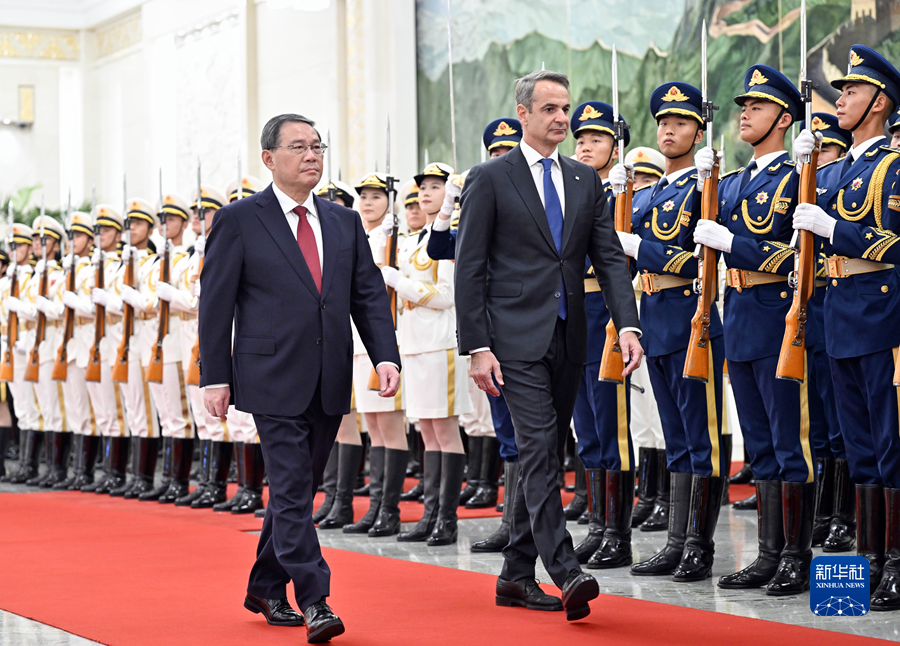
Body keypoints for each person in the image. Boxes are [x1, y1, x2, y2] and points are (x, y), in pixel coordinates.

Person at [200, 113, 400, 641]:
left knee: (298, 490)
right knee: (291, 489)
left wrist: (386, 356)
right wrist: (214, 376)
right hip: (269, 375)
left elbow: (367, 296)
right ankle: (316, 599)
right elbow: (215, 305)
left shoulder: (343, 221)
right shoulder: (239, 220)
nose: (312, 155)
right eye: (298, 147)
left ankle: (265, 585)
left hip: (329, 374)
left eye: (317, 146)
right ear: (269, 158)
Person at [455, 70, 642, 621]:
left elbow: (608, 258)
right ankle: (565, 569)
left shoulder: (584, 179)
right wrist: (477, 346)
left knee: (547, 450)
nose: (563, 118)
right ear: (524, 114)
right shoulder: (490, 177)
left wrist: (628, 326)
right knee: (538, 448)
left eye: (566, 108)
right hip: (513, 338)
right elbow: (469, 267)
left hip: (570, 334)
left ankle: (515, 576)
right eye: (551, 109)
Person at [691, 64, 817, 596]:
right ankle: (768, 555)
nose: (745, 113)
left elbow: (799, 256)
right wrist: (701, 183)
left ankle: (796, 557)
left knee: (790, 443)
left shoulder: (797, 178)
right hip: (739, 319)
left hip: (777, 319)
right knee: (759, 444)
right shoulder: (733, 182)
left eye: (758, 106)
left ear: (784, 119)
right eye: (743, 106)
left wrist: (732, 244)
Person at [792, 45, 900, 611]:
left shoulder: (895, 166)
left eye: (852, 91)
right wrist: (802, 172)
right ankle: (870, 560)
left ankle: (897, 562)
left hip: (881, 315)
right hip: (837, 315)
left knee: (890, 443)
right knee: (858, 447)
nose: (841, 99)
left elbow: (896, 244)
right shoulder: (832, 171)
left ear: (879, 102)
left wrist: (835, 229)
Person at [617, 81, 726, 581]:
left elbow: (698, 261)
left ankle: (698, 547)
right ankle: (676, 542)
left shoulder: (705, 187)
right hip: (656, 321)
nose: (668, 130)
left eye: (681, 122)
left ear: (698, 132)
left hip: (691, 319)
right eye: (663, 122)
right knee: (675, 438)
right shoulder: (650, 194)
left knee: (700, 438)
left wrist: (639, 249)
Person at [426, 118, 524, 551]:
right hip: (489, 332)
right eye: (495, 154)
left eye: (508, 152)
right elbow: (438, 248)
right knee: (504, 428)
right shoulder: (480, 206)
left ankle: (526, 525)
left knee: (525, 430)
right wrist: (449, 204)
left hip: (523, 327)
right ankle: (512, 524)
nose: (501, 160)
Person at [386, 162, 473, 546]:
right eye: (422, 187)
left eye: (435, 187)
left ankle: (447, 519)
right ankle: (430, 514)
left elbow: (448, 296)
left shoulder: (452, 237)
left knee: (445, 430)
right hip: (415, 343)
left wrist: (400, 283)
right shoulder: (412, 241)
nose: (425, 193)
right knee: (427, 431)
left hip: (441, 343)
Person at [566, 100, 637, 569]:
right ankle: (598, 526)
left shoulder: (623, 196)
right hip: (575, 315)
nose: (585, 147)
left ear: (617, 146)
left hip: (608, 315)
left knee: (613, 429)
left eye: (597, 139)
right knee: (587, 429)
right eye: (581, 140)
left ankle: (618, 534)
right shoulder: (575, 194)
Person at [794, 112, 855, 553]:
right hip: (808, 315)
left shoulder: (843, 190)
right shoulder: (807, 189)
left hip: (836, 309)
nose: (821, 159)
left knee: (840, 424)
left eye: (828, 150)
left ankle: (844, 516)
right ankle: (822, 511)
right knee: (815, 423)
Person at [341, 172, 407, 538]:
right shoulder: (357, 237)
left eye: (376, 197)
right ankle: (377, 506)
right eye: (363, 197)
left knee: (390, 425)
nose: (368, 203)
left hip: (385, 343)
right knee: (374, 427)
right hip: (356, 343)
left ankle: (389, 510)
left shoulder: (395, 240)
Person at [125, 193, 194, 504]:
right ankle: (167, 479)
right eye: (162, 219)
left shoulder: (184, 260)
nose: (166, 224)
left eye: (172, 219)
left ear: (183, 223)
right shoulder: (154, 263)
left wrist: (143, 300)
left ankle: (180, 481)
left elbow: (174, 300)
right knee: (165, 414)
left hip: (175, 341)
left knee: (177, 414)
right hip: (150, 342)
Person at [90, 198, 160, 497]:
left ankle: (144, 477)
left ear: (150, 229)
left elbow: (141, 303)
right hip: (120, 343)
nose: (132, 229)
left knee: (143, 412)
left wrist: (115, 300)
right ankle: (119, 473)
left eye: (138, 224)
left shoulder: (153, 263)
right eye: (129, 224)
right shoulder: (122, 265)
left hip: (143, 341)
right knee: (128, 411)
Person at [50, 210, 101, 490]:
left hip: (87, 340)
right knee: (74, 409)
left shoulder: (94, 268)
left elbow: (94, 308)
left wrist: (74, 303)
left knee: (89, 409)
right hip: (68, 344)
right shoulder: (65, 270)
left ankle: (87, 471)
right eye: (70, 235)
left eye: (79, 235)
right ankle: (78, 469)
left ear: (90, 240)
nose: (72, 240)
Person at [19, 216, 66, 487]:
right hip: (31, 345)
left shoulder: (58, 275)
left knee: (53, 407)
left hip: (50, 343)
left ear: (56, 245)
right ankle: (41, 466)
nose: (37, 243)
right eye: (35, 239)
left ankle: (57, 469)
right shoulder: (32, 276)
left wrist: (40, 306)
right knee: (39, 408)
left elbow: (59, 310)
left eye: (44, 239)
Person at [2, 224, 43, 484]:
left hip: (27, 343)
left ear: (29, 248)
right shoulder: (6, 281)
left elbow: (37, 311)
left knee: (31, 406)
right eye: (11, 246)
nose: (14, 250)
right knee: (19, 405)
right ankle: (24, 465)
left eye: (20, 245)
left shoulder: (33, 277)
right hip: (8, 346)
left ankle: (32, 465)